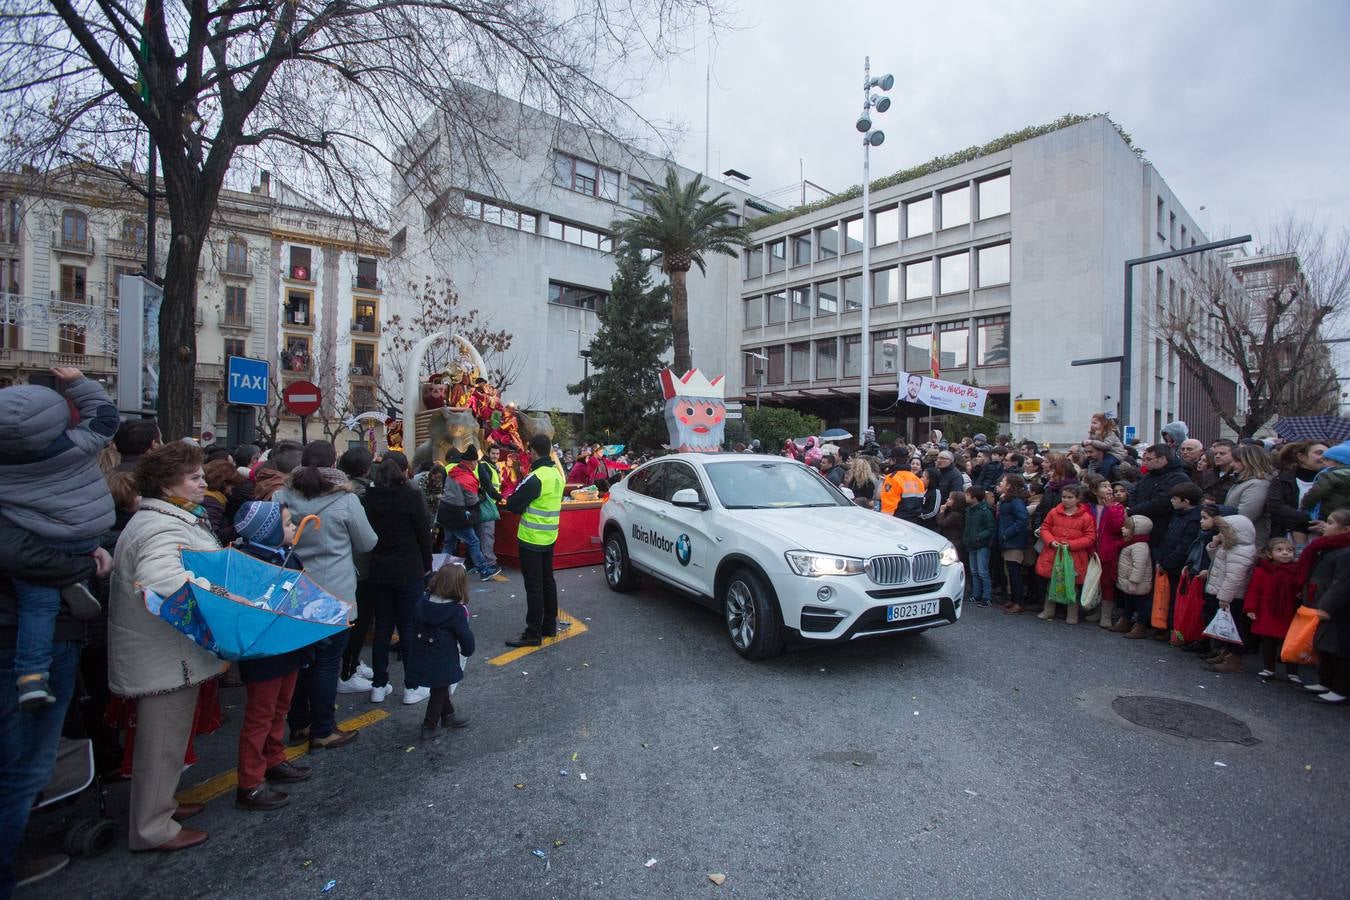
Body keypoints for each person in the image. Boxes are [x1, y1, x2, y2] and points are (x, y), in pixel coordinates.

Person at [107, 442, 224, 852]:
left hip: (170, 650)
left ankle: (161, 806)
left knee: (168, 742)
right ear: (165, 483)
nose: (202, 482)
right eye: (193, 477)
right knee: (161, 744)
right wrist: (217, 596)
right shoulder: (162, 526)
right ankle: (151, 828)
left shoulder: (167, 517)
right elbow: (163, 579)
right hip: (165, 653)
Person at [0, 368, 117, 711]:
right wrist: (80, 384)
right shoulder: (74, 447)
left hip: (37, 538)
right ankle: (71, 584)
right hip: (82, 537)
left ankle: (32, 677)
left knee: (36, 606)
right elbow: (104, 418)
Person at [0, 518, 106, 889]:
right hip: (22, 641)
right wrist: (84, 563)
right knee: (24, 768)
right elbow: (19, 553)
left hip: (32, 633)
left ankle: (13, 854)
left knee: (24, 766)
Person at [276, 441, 377, 750]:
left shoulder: (281, 495)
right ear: (334, 463)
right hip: (334, 590)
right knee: (326, 662)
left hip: (293, 587)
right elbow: (367, 542)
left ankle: (299, 723)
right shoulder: (345, 500)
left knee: (300, 660)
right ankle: (323, 728)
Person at [230, 502, 314, 811]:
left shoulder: (286, 555)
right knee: (259, 715)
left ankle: (274, 758)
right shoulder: (251, 562)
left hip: (288, 642)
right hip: (264, 648)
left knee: (281, 706)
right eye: (288, 525)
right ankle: (250, 782)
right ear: (271, 532)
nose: (293, 529)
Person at [361, 453, 433, 705]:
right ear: (403, 473)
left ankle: (378, 685)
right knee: (409, 628)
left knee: (382, 628)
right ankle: (412, 686)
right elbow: (424, 533)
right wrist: (427, 565)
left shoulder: (368, 498)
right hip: (409, 568)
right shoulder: (411, 496)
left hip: (379, 570)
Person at [504, 434, 565, 647]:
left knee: (534, 587)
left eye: (529, 451)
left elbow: (513, 504)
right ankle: (549, 626)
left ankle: (532, 633)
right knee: (548, 582)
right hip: (549, 537)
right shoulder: (557, 475)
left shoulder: (536, 476)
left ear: (534, 452)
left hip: (531, 539)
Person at [406, 562, 476, 741]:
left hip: (420, 651)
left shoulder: (422, 602)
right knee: (439, 689)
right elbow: (465, 636)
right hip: (442, 656)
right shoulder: (455, 611)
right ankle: (429, 725)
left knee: (440, 686)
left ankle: (449, 715)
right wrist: (468, 650)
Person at [1298, 509, 1350, 703]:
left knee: (1339, 649)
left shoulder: (1346, 553)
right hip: (1323, 602)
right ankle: (1325, 681)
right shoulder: (1329, 548)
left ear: (1345, 529)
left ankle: (1341, 689)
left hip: (1339, 610)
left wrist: (1327, 606)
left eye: (1330, 523)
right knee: (1323, 645)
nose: (1324, 526)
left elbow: (1343, 584)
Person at [1198, 508, 1257, 674]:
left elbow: (1234, 577)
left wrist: (1225, 597)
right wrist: (1214, 545)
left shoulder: (1241, 551)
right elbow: (1217, 563)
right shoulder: (1230, 547)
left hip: (1233, 596)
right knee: (1227, 626)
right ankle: (1226, 653)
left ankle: (1234, 658)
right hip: (1223, 592)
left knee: (1235, 627)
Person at [337, 447, 376, 693]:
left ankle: (351, 663)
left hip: (343, 565)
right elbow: (365, 539)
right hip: (358, 564)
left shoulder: (336, 490)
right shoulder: (360, 494)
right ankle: (347, 671)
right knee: (357, 619)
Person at [1035, 483, 1097, 624]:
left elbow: (1090, 537)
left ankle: (1072, 614)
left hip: (1073, 555)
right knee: (1052, 582)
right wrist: (1051, 541)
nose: (1066, 500)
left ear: (1077, 499)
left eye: (1070, 497)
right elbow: (1045, 528)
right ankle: (1049, 609)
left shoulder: (1086, 517)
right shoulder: (1053, 512)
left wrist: (1071, 545)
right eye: (1064, 497)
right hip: (1054, 553)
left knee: (1072, 584)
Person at [1244, 537, 1303, 683]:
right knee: (1268, 642)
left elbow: (1300, 587)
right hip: (1268, 610)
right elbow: (1254, 590)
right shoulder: (1261, 570)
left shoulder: (1296, 571)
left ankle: (1292, 672)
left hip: (1289, 611)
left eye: (1289, 550)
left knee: (1290, 642)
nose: (1285, 553)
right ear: (1270, 554)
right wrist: (1251, 607)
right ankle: (1269, 668)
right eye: (1280, 550)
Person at [438, 447, 502, 582]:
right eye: (476, 462)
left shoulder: (453, 471)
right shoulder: (467, 477)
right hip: (457, 515)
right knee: (473, 541)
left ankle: (438, 572)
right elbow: (473, 502)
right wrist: (482, 497)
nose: (477, 465)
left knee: (449, 543)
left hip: (444, 512)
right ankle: (484, 569)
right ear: (472, 462)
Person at [1127, 445, 1190, 553]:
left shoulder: (1178, 477)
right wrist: (1133, 508)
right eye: (1144, 459)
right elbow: (1134, 492)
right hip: (1142, 527)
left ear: (1162, 459)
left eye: (1149, 459)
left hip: (1162, 530)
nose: (1144, 463)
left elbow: (1161, 503)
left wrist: (1132, 511)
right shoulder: (1148, 475)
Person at [1265, 441, 1328, 550]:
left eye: (1328, 454)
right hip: (1287, 543)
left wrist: (1328, 524)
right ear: (1301, 456)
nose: (1324, 457)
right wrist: (1309, 521)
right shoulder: (1282, 480)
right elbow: (1275, 506)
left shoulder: (1336, 481)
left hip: (1324, 540)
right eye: (1319, 453)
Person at [1092, 480, 1127, 628]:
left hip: (1108, 550)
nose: (1109, 489)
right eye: (1104, 486)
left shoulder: (1117, 507)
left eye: (1109, 486)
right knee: (1095, 581)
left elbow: (1116, 528)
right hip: (1092, 548)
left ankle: (1106, 614)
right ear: (1095, 491)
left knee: (1107, 583)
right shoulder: (1090, 507)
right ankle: (1097, 610)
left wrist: (1110, 508)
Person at [1225, 443, 1274, 547]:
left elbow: (1245, 516)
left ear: (1249, 462)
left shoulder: (1258, 485)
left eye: (1236, 461)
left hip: (1247, 542)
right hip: (1236, 539)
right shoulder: (1243, 482)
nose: (1231, 464)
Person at [995, 475, 1030, 614]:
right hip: (1007, 541)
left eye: (1003, 481)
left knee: (1014, 573)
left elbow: (1022, 520)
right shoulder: (1006, 500)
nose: (1001, 483)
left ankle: (1019, 602)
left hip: (1013, 542)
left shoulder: (1016, 501)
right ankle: (1013, 599)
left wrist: (1006, 533)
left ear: (1009, 486)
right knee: (1008, 572)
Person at [1300, 440, 1350, 523]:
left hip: (1329, 513)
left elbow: (1318, 491)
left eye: (1327, 460)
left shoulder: (1330, 475)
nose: (1323, 462)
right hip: (1345, 515)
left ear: (1338, 462)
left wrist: (1305, 503)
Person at [963, 487, 995, 607]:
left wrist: (978, 537)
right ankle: (976, 594)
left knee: (982, 571)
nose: (965, 497)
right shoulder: (969, 510)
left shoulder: (985, 511)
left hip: (981, 544)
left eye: (967, 495)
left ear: (974, 497)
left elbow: (990, 528)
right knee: (974, 571)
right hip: (972, 544)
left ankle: (986, 596)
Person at [201, 458, 245, 546]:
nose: (231, 492)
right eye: (231, 486)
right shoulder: (212, 503)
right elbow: (215, 535)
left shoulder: (204, 495)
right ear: (224, 483)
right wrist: (242, 526)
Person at [476, 445, 504, 571]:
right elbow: (487, 485)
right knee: (487, 534)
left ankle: (486, 561)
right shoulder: (484, 466)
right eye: (493, 453)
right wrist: (499, 497)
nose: (495, 456)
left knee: (484, 534)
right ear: (488, 453)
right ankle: (489, 563)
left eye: (497, 454)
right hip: (487, 505)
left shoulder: (492, 467)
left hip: (490, 504)